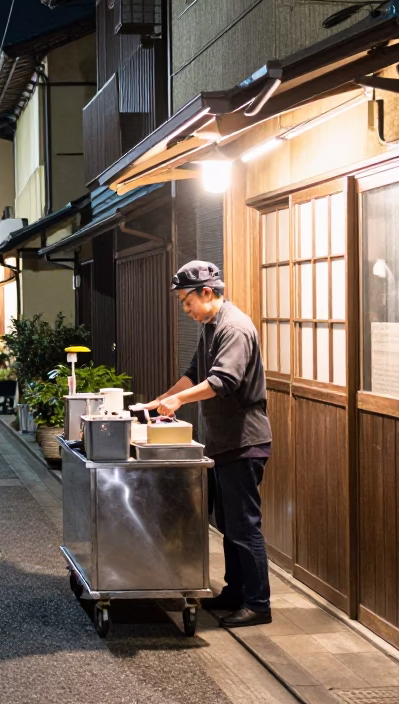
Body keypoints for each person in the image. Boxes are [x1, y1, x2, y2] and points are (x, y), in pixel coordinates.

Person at [134, 260, 273, 628]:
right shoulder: (211, 327)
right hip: (224, 442)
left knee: (244, 525)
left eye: (186, 301)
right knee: (227, 522)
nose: (185, 309)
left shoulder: (235, 328)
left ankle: (258, 604)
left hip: (244, 442)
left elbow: (221, 381)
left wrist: (178, 403)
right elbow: (194, 374)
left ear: (207, 293)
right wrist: (159, 400)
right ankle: (235, 591)